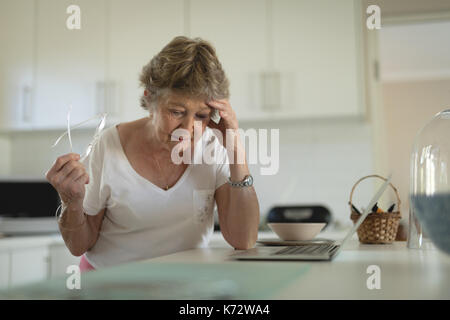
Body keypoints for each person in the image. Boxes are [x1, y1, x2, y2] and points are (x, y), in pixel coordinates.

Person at [45, 36, 260, 272]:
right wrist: (71, 203)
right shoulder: (109, 145)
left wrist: (234, 147)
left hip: (182, 286)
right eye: (177, 112)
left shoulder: (213, 147)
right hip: (109, 285)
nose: (188, 129)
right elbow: (78, 245)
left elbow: (244, 240)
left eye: (201, 116)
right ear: (149, 99)